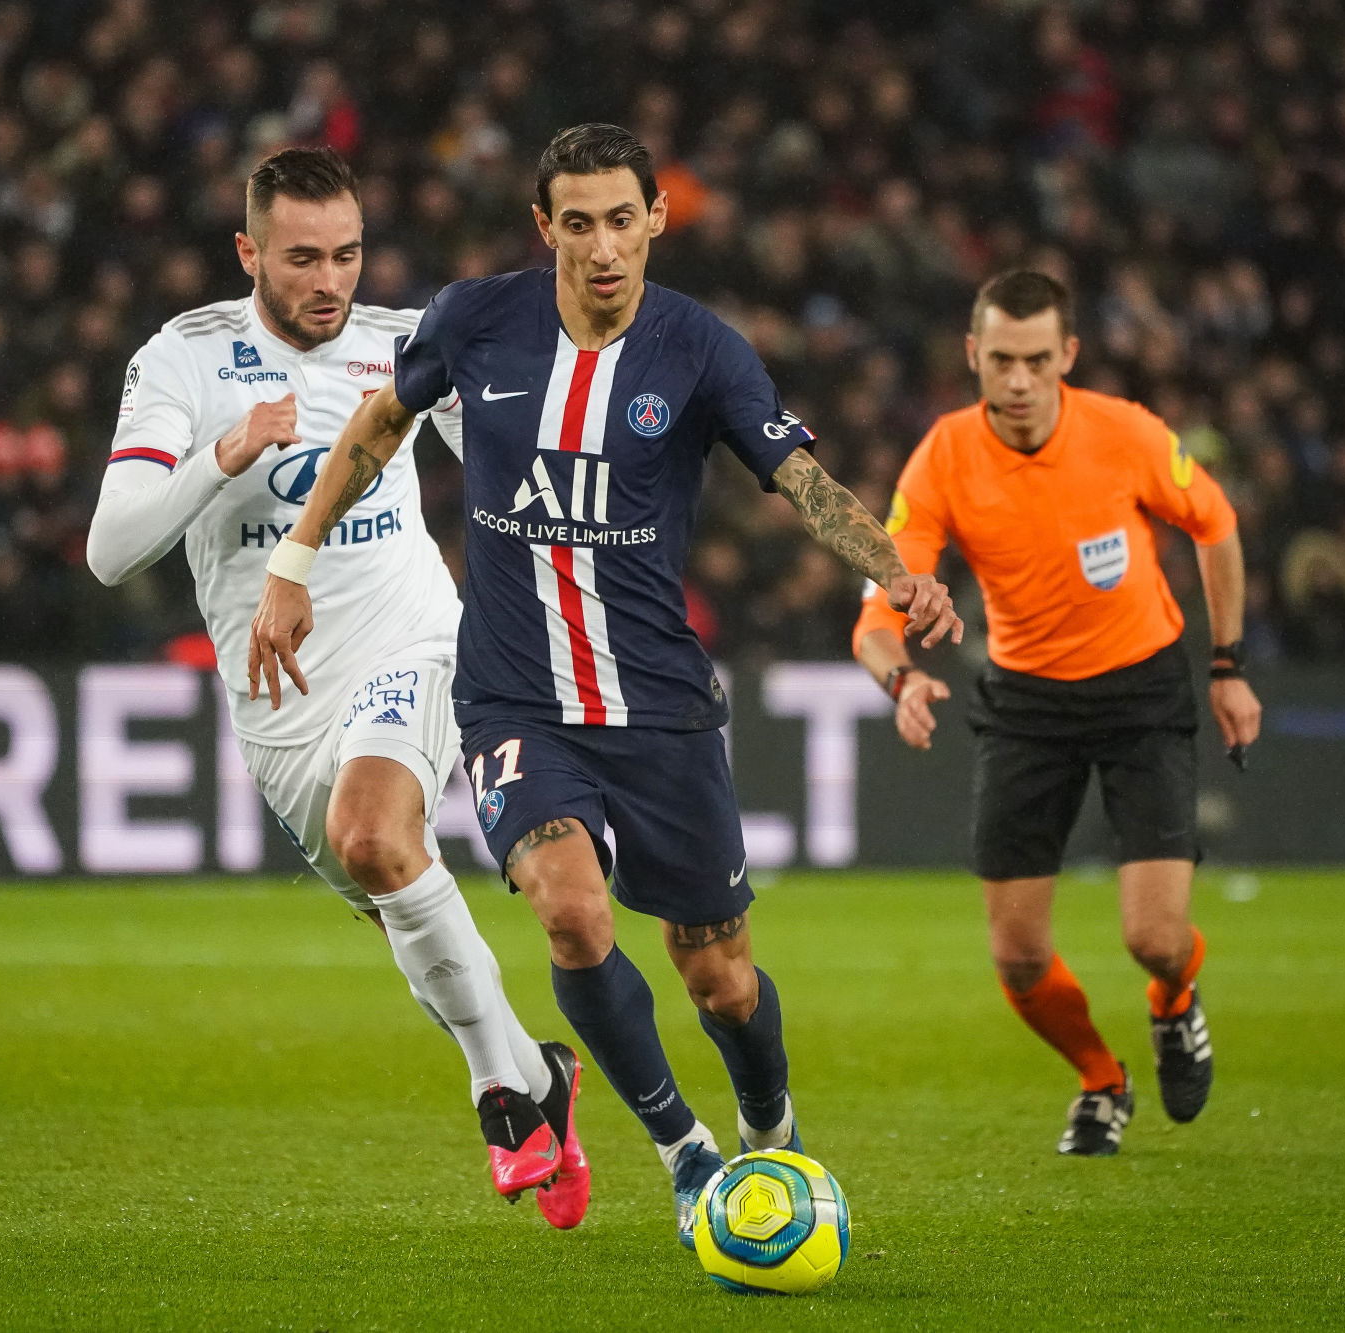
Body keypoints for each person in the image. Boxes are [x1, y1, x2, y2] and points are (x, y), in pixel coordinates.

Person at [248, 124, 960, 1248]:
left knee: (719, 977)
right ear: (545, 228)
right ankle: (685, 1154)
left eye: (621, 219)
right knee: (572, 914)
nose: (602, 247)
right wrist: (292, 559)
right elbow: (382, 422)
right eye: (576, 224)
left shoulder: (701, 349)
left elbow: (799, 479)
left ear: (655, 218)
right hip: (514, 700)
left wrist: (896, 572)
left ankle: (769, 1122)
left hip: (658, 705)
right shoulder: (476, 321)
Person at [84, 147, 589, 1226]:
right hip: (279, 698)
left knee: (372, 832)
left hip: (415, 640)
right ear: (248, 253)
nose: (330, 282)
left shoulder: (402, 345)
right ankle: (539, 1073)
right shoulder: (183, 360)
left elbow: (514, 472)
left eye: (347, 255)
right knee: (394, 891)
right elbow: (111, 550)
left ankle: (500, 1096)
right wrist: (224, 453)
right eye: (302, 258)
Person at [852, 270, 1262, 1155]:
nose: (1019, 381)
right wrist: (900, 679)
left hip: (1142, 691)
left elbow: (1216, 523)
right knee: (1018, 957)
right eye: (1001, 359)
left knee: (1156, 939)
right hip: (1027, 704)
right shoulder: (944, 456)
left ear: (1068, 355)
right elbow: (882, 606)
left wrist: (1228, 665)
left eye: (1037, 360)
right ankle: (1102, 1081)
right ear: (973, 355)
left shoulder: (1126, 433)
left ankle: (1173, 1000)